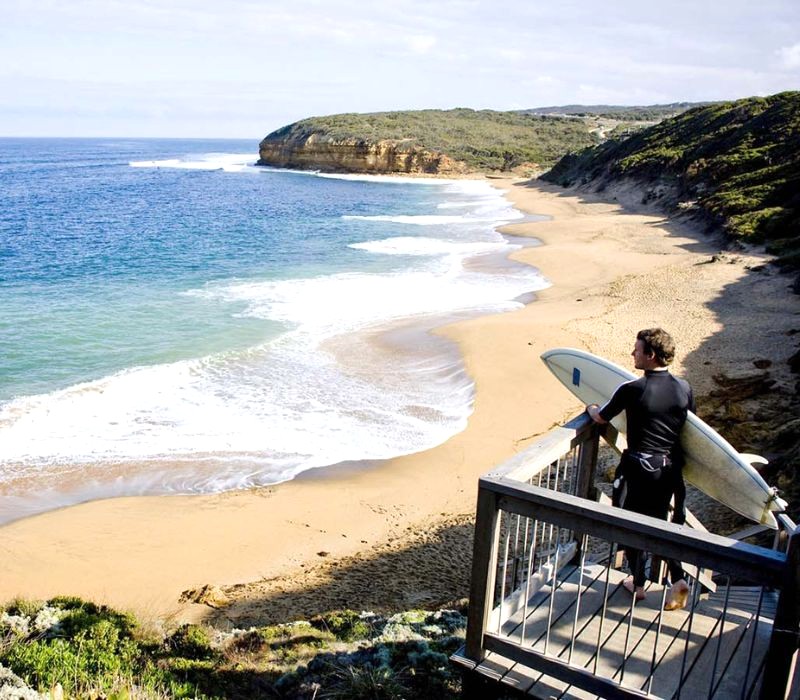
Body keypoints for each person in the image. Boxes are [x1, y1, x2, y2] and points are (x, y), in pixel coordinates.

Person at [586, 328, 695, 610]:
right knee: (661, 523)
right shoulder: (684, 388)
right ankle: (678, 578)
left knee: (632, 524)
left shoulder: (632, 390)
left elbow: (601, 417)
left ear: (651, 355)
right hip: (668, 470)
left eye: (637, 350)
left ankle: (638, 582)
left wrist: (590, 407)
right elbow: (693, 430)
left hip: (638, 469)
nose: (632, 353)